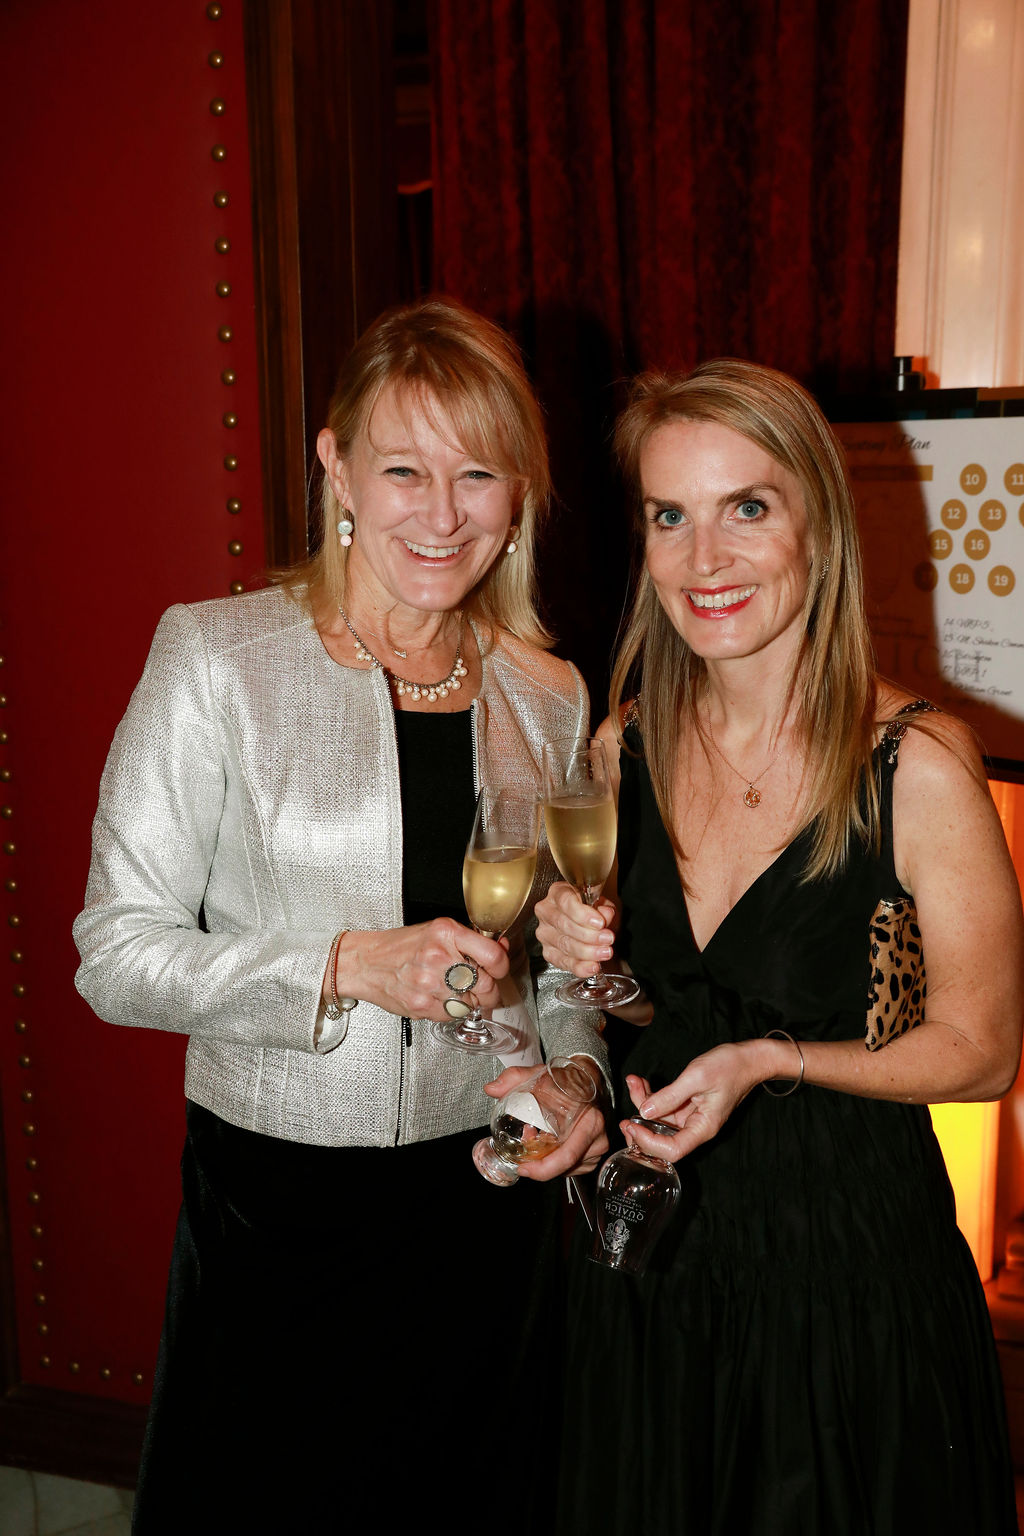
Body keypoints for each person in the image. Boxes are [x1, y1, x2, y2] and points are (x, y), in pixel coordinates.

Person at [73, 297, 608, 1535]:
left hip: (483, 1209)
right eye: (404, 469)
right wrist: (344, 966)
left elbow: (562, 967)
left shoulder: (549, 696)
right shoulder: (218, 659)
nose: (442, 514)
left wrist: (574, 1079)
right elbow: (115, 954)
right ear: (337, 466)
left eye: (478, 474)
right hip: (281, 1217)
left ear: (519, 494)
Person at [536, 360, 1024, 1534]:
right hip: (656, 1261)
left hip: (843, 1276)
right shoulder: (621, 748)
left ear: (818, 521)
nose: (703, 559)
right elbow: (652, 1009)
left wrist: (774, 1060)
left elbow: (982, 1052)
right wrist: (589, 968)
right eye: (669, 516)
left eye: (745, 508)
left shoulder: (915, 764)